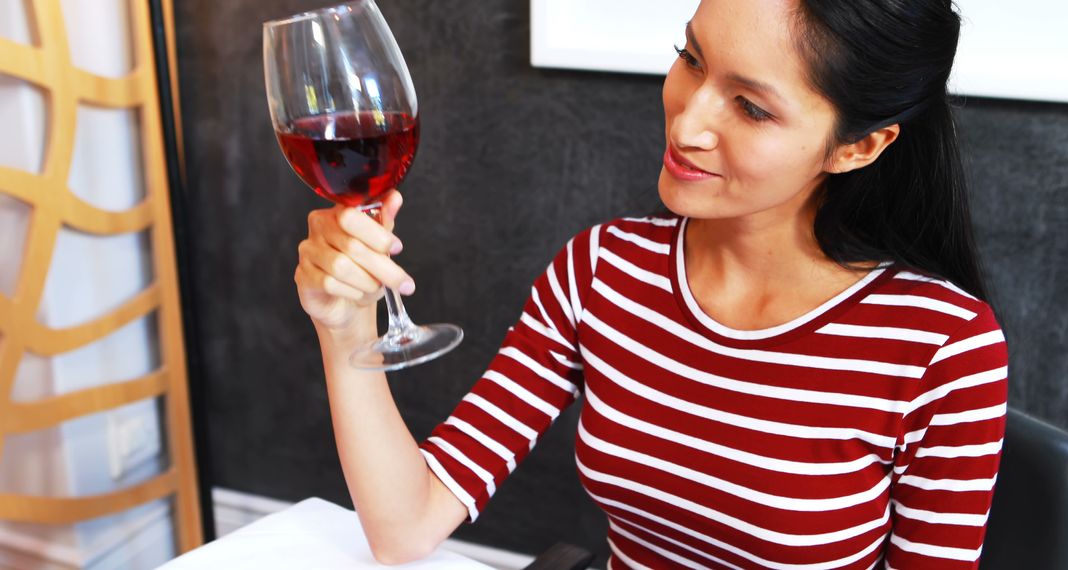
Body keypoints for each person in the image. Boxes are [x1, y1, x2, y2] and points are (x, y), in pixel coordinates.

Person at [294, 0, 1008, 567]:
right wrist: (343, 326)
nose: (688, 120)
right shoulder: (602, 272)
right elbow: (404, 527)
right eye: (692, 58)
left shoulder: (942, 351)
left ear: (859, 146)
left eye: (751, 107)